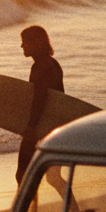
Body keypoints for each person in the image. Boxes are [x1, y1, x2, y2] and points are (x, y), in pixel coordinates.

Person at [15, 25, 65, 185]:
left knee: (22, 175)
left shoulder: (40, 67)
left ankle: (27, 210)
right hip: (53, 128)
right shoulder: (53, 63)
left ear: (35, 43)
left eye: (25, 42)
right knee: (53, 177)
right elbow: (60, 98)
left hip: (39, 127)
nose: (22, 46)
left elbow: (40, 99)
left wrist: (31, 127)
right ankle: (73, 209)